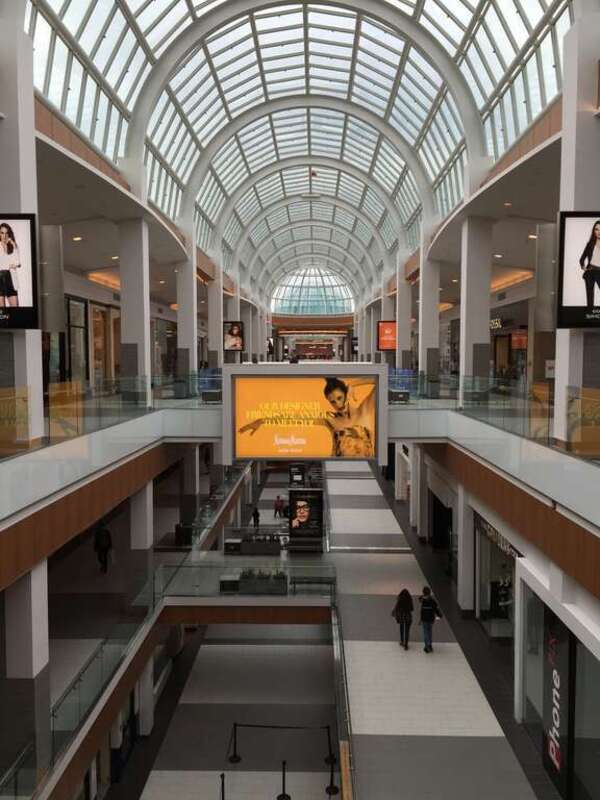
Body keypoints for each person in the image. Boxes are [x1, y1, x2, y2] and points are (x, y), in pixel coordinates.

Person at [238, 376, 376, 458]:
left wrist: (353, 383)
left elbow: (381, 379)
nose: (337, 404)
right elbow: (295, 418)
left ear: (346, 394)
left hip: (367, 470)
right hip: (337, 470)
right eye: (332, 401)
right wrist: (261, 420)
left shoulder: (365, 410)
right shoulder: (330, 419)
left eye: (339, 398)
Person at [579, 220, 600, 309]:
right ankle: (589, 316)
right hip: (590, 271)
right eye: (597, 229)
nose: (599, 232)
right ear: (594, 231)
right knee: (589, 296)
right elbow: (582, 259)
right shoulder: (590, 244)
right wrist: (583, 267)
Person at [0, 222, 21, 307]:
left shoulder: (12, 246)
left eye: (6, 233)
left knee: (15, 309)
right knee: (2, 313)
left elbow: (18, 263)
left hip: (10, 277)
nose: (4, 235)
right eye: (2, 233)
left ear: (9, 234)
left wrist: (14, 245)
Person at [419, 586, 442, 653]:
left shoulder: (422, 599)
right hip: (431, 618)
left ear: (423, 592)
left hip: (424, 618)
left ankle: (427, 646)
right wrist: (439, 615)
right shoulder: (432, 600)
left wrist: (423, 596)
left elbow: (419, 599)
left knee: (425, 632)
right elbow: (436, 609)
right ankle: (430, 645)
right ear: (429, 592)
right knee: (430, 631)